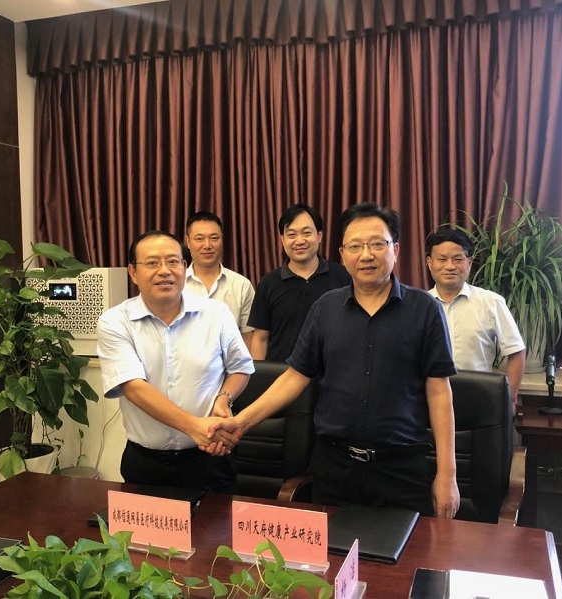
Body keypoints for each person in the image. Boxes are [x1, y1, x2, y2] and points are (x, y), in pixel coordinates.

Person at [210, 203, 460, 518]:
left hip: (401, 469)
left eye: (377, 244)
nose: (365, 255)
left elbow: (439, 392)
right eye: (355, 246)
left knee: (405, 550)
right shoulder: (325, 308)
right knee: (332, 549)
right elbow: (294, 378)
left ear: (395, 250)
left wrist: (447, 474)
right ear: (342, 254)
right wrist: (240, 423)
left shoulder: (425, 310)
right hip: (333, 467)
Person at [97, 231, 254, 492]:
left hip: (209, 460)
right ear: (133, 272)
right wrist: (196, 427)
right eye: (152, 263)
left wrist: (223, 399)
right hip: (146, 463)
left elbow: (241, 368)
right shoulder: (115, 322)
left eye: (173, 261)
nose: (164, 271)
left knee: (214, 520)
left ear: (184, 267)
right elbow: (134, 387)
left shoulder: (216, 313)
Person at [425, 226, 526, 403]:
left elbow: (516, 350)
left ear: (469, 262)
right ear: (429, 262)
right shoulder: (419, 304)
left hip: (479, 398)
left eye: (458, 259)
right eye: (442, 259)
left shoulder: (491, 302)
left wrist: (509, 397)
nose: (450, 266)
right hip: (429, 399)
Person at [248, 204, 351, 361]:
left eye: (306, 233)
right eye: (292, 234)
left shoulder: (343, 277)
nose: (300, 240)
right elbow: (260, 338)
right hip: (280, 373)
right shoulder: (269, 283)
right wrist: (258, 374)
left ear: (319, 236)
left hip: (331, 371)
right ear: (282, 240)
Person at [184, 211, 255, 346]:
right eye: (199, 239)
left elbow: (248, 338)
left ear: (222, 239)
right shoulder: (176, 285)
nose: (207, 245)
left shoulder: (241, 285)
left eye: (214, 238)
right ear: (188, 242)